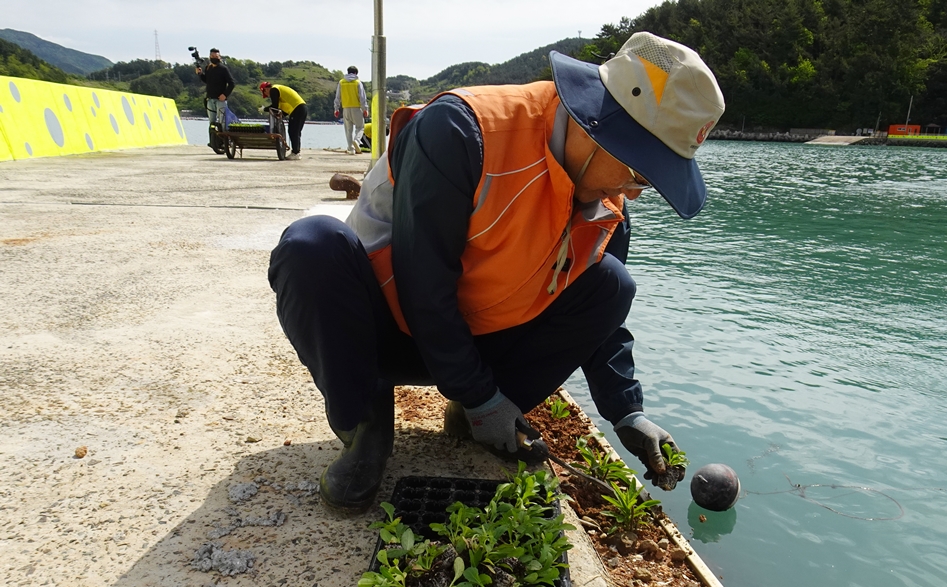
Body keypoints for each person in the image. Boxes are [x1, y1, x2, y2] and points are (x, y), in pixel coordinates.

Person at [268, 32, 725, 513]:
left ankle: (472, 417)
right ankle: (364, 422)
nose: (632, 193)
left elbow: (604, 324)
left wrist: (626, 409)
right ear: (597, 129)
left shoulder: (606, 207)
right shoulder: (463, 131)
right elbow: (424, 283)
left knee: (612, 285)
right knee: (310, 247)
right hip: (383, 329)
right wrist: (479, 393)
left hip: (474, 342)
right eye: (639, 174)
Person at [259, 81, 307, 160]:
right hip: (301, 108)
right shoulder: (281, 97)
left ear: (266, 89)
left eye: (265, 94)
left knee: (293, 131)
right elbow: (282, 111)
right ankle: (296, 152)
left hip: (298, 109)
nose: (267, 96)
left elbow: (274, 106)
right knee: (295, 131)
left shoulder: (274, 90)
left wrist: (264, 109)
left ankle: (296, 153)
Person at [196, 48, 235, 144]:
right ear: (210, 57)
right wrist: (200, 74)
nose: (214, 58)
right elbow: (207, 81)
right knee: (211, 122)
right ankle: (213, 141)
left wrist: (225, 94)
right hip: (210, 98)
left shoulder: (223, 69)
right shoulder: (208, 68)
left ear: (219, 57)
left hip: (220, 100)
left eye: (216, 56)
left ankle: (224, 142)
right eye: (212, 56)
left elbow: (232, 83)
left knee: (222, 121)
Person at [333, 66, 368, 154]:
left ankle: (350, 149)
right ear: (356, 73)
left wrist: (336, 108)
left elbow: (337, 96)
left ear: (348, 72)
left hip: (345, 109)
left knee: (348, 130)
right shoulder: (358, 82)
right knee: (360, 127)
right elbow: (362, 97)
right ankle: (356, 141)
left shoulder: (341, 82)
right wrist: (365, 109)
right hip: (356, 108)